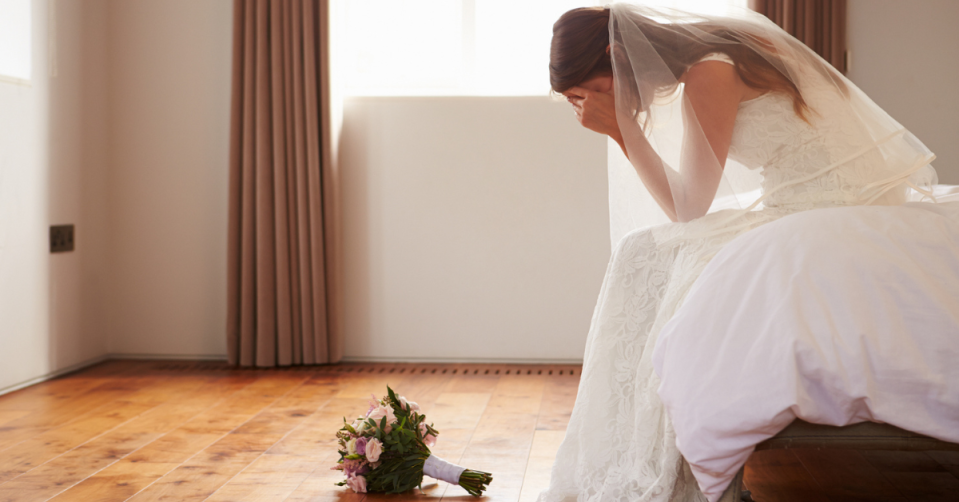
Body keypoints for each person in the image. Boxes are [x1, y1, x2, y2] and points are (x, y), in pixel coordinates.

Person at [539, 3, 953, 502]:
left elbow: (688, 208)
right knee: (644, 251)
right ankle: (627, 446)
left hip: (822, 209)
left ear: (614, 55)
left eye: (591, 93)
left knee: (649, 254)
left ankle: (647, 454)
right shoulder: (714, 56)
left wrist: (621, 128)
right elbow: (688, 206)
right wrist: (620, 122)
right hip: (804, 203)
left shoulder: (710, 70)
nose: (591, 106)